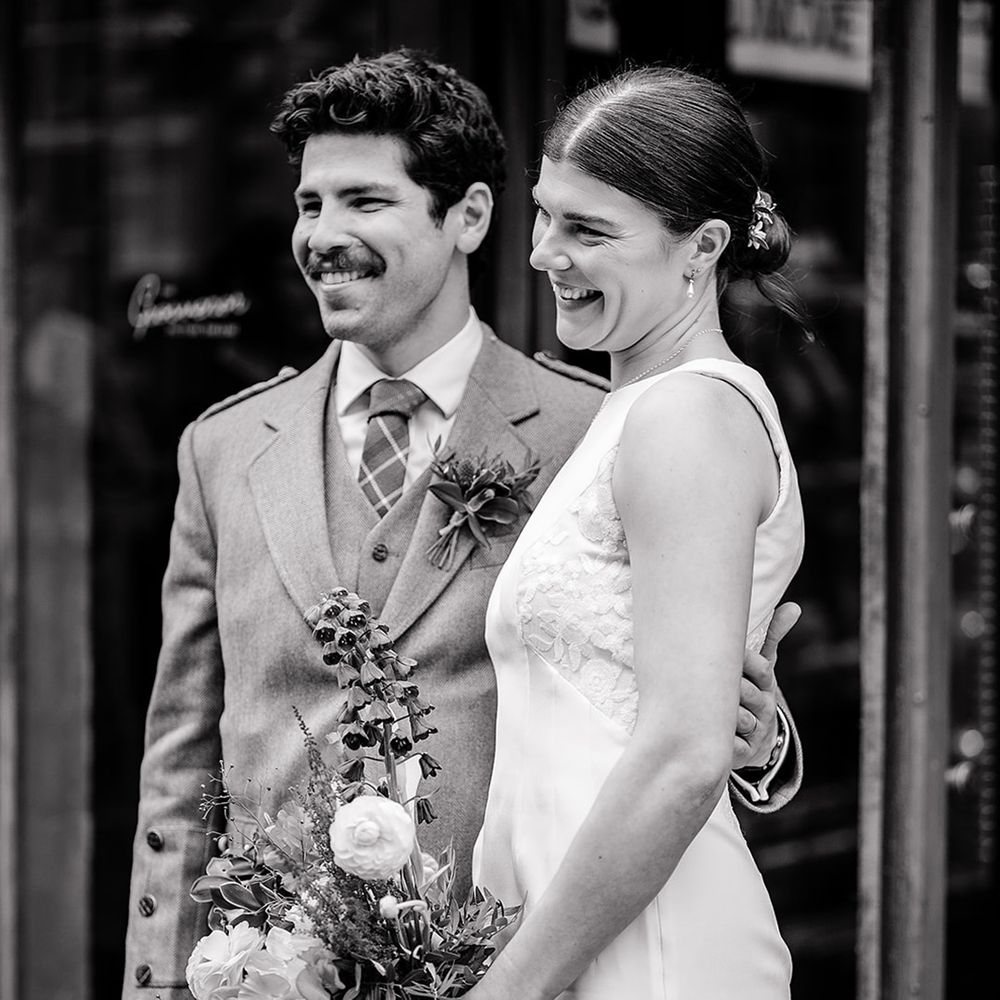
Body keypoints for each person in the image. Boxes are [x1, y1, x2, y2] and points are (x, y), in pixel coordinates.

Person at [122, 50, 802, 999]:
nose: (323, 235)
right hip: (266, 972)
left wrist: (759, 737)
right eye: (309, 205)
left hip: (510, 956)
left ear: (469, 216)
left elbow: (670, 716)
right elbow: (183, 760)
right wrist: (160, 982)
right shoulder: (224, 447)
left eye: (364, 202)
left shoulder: (597, 427)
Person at [470, 65, 808, 999]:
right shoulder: (638, 409)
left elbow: (684, 752)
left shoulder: (687, 418)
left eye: (588, 230)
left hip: (647, 948)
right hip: (585, 937)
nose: (543, 252)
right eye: (545, 213)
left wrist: (515, 985)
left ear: (700, 247)